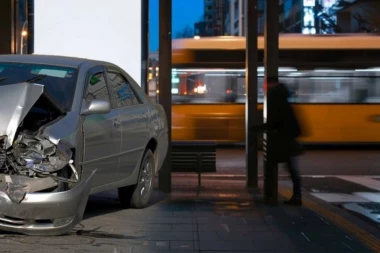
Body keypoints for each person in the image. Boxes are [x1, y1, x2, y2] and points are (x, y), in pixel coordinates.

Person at [252, 81, 304, 206]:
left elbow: (272, 123)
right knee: (292, 170)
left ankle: (271, 196)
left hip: (279, 144)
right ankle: (296, 196)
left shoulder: (276, 105)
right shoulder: (287, 105)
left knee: (271, 167)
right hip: (288, 144)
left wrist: (258, 128)